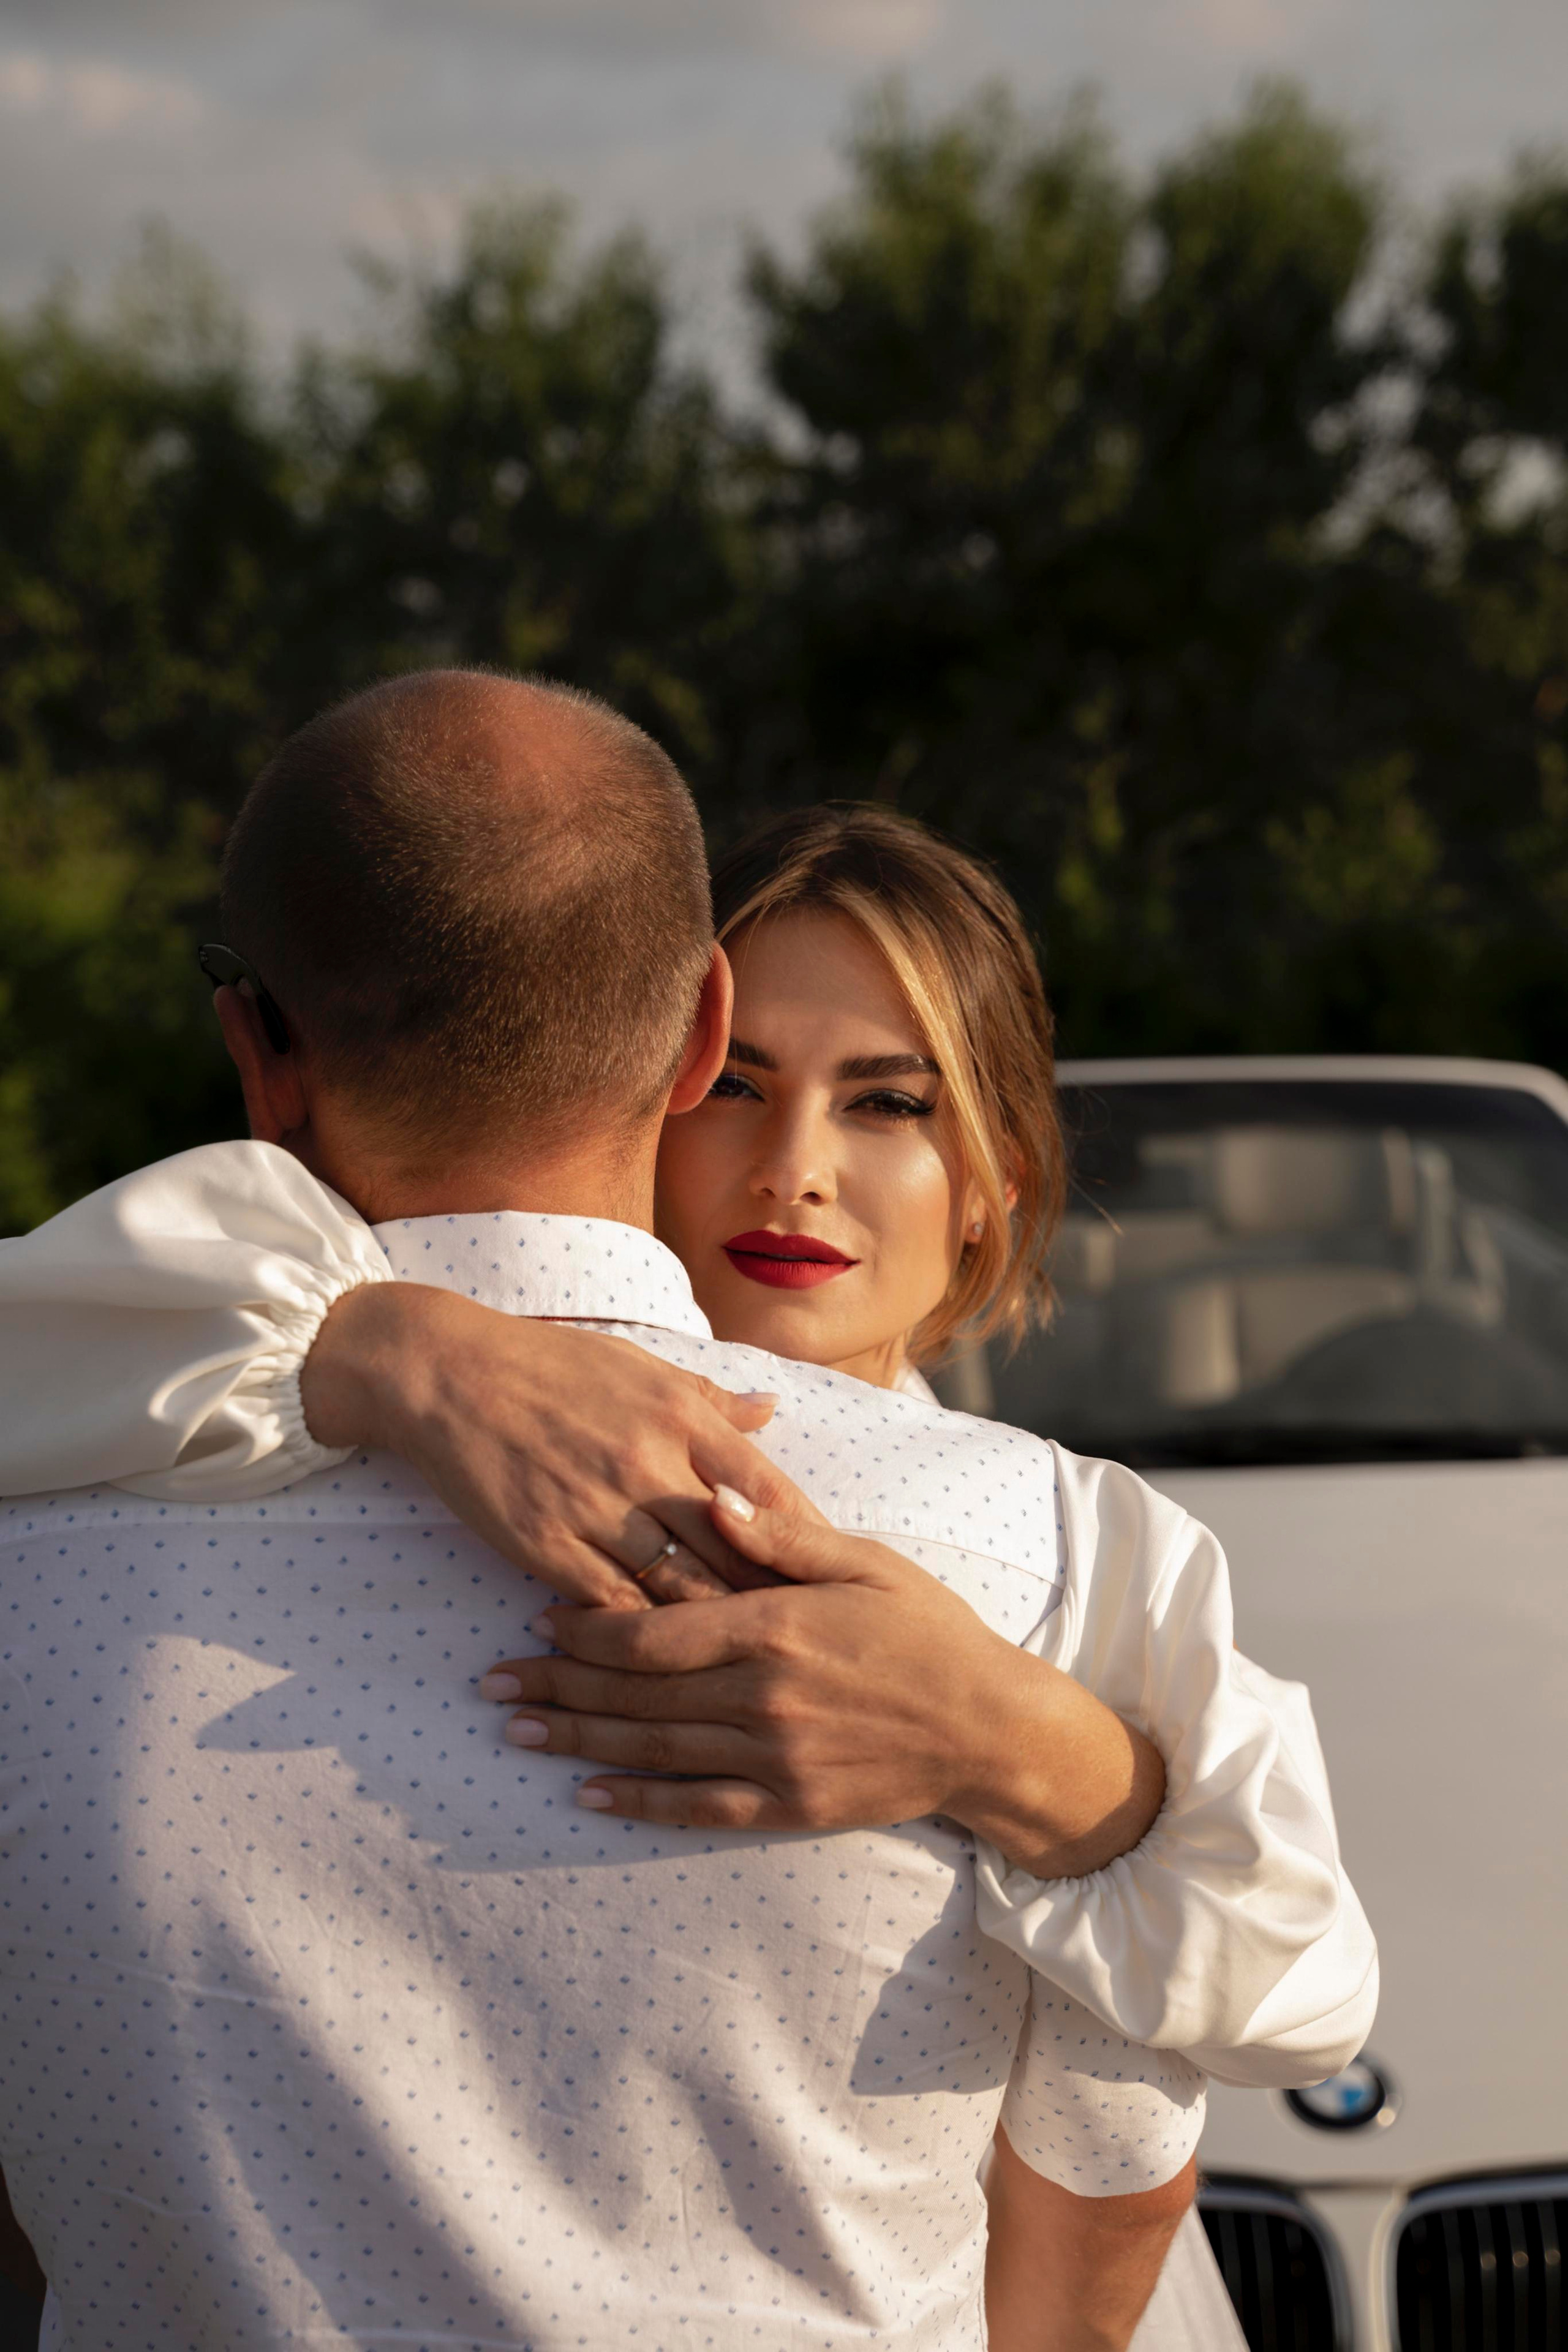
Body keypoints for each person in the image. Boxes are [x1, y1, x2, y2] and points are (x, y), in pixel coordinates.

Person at [0, 674, 1371, 2348]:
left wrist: (1040, 1748)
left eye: (891, 1098)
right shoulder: (1068, 1560)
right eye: (754, 1088)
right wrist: (384, 1349)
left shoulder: (66, 1485)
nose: (796, 1168)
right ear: (694, 1037)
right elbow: (1104, 2208)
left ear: (256, 1052)